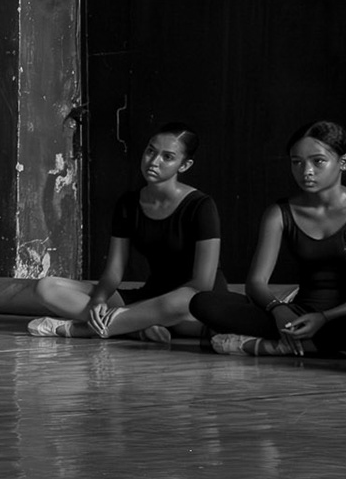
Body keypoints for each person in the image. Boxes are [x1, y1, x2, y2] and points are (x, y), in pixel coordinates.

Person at [190, 120, 346, 358]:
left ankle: (279, 347)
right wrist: (278, 310)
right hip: (296, 315)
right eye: (297, 162)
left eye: (318, 161)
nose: (306, 171)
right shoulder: (280, 213)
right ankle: (344, 347)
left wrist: (323, 318)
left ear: (343, 162)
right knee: (203, 303)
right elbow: (255, 282)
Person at [26, 123, 224, 341]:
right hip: (150, 295)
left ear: (184, 165)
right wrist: (99, 300)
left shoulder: (201, 206)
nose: (154, 161)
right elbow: (113, 272)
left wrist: (141, 309)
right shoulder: (128, 204)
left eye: (167, 157)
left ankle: (85, 329)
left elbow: (202, 284)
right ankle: (134, 327)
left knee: (177, 302)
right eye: (150, 151)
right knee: (47, 287)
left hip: (189, 303)